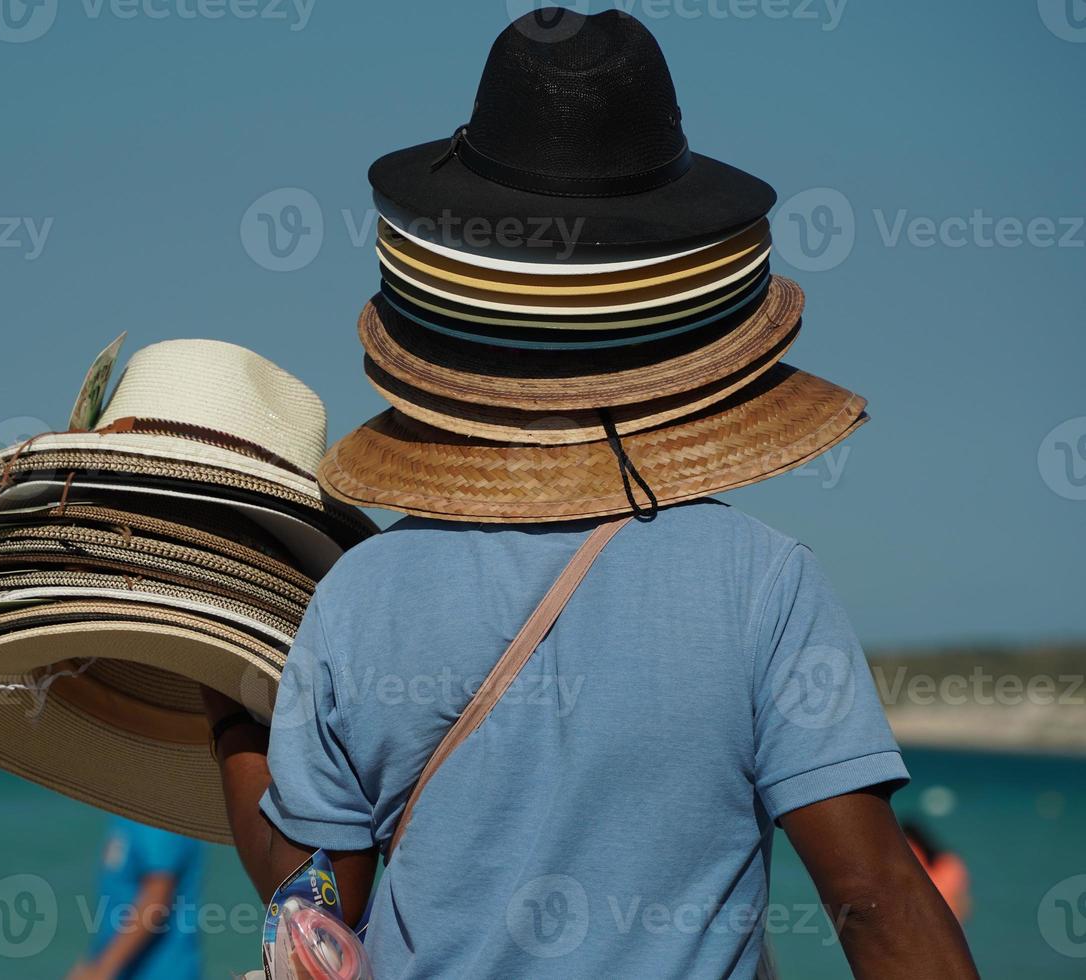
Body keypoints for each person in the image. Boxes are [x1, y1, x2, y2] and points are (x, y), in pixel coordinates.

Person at [203, 11, 979, 977]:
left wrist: (233, 725)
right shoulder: (762, 585)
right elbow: (871, 899)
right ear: (683, 324)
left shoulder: (360, 598)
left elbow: (317, 918)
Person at [66, 816, 205, 980]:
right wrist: (90, 963)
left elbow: (157, 896)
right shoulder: (127, 813)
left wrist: (102, 970)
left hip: (159, 971)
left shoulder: (156, 816)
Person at [903, 822, 972, 923]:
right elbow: (964, 904)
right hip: (947, 926)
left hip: (933, 925)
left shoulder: (947, 864)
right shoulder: (950, 863)